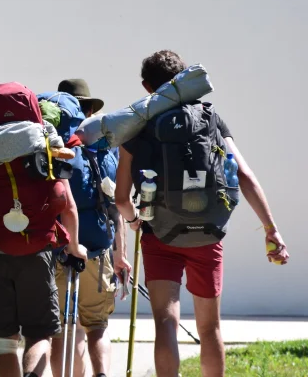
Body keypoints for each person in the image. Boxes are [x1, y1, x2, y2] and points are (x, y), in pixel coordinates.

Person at [114, 50, 290, 377]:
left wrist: (134, 221)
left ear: (146, 86)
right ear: (184, 79)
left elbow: (122, 198)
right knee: (210, 328)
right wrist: (270, 227)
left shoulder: (137, 126)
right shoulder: (209, 117)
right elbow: (244, 175)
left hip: (159, 234)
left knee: (166, 321)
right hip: (207, 235)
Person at [0, 82, 88, 377]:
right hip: (37, 250)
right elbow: (65, 204)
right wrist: (74, 246)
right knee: (39, 333)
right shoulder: (45, 144)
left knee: (4, 342)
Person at [40, 80, 131, 377]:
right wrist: (120, 256)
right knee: (96, 327)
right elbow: (115, 204)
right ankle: (101, 374)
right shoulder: (103, 146)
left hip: (55, 247)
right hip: (96, 246)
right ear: (89, 109)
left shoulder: (47, 143)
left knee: (59, 330)